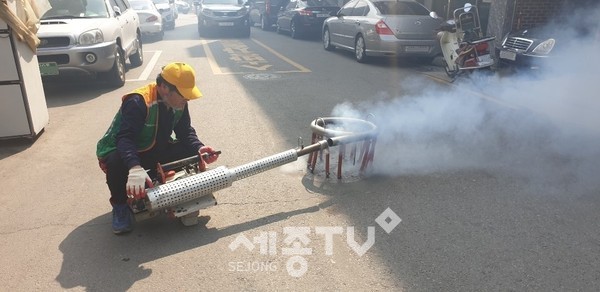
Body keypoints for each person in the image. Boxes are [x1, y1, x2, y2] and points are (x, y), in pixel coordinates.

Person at [96, 62, 219, 235]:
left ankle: (157, 179)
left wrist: (200, 148)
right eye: (183, 94)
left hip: (155, 147)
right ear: (164, 87)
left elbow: (185, 131)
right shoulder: (138, 101)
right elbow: (125, 139)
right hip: (126, 150)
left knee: (190, 151)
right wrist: (134, 167)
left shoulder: (179, 102)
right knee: (116, 162)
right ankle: (120, 207)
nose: (187, 99)